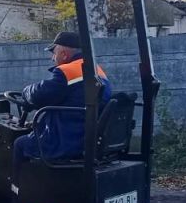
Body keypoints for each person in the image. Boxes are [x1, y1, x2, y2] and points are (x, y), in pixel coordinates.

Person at [11, 31, 111, 185]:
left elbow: (39, 95)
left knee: (20, 144)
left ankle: (17, 191)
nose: (53, 58)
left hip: (65, 141)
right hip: (85, 138)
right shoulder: (98, 71)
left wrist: (25, 91)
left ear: (64, 54)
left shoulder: (67, 73)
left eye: (54, 53)